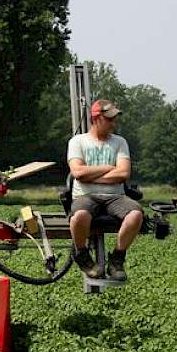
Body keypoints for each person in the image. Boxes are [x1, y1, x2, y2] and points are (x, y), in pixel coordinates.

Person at [67, 99, 144, 281]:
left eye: (114, 119)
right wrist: (109, 167)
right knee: (80, 216)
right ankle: (82, 255)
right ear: (96, 118)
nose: (113, 123)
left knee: (136, 214)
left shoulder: (120, 142)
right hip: (85, 195)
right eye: (109, 119)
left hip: (115, 196)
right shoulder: (78, 142)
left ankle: (117, 259)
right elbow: (77, 172)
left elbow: (123, 172)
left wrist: (91, 175)